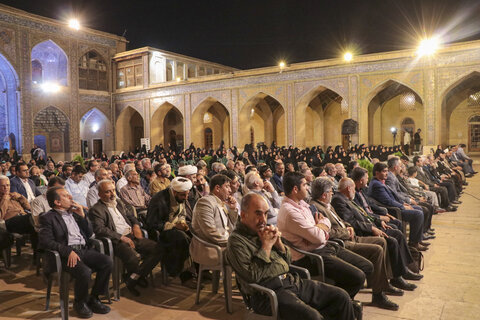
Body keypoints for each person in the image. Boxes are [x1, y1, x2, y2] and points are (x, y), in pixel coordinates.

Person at [226, 193, 355, 320]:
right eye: (258, 213)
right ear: (243, 215)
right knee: (312, 316)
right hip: (266, 294)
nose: (263, 220)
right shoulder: (236, 241)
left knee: (341, 297)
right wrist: (266, 246)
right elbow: (252, 276)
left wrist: (279, 244)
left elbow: (288, 261)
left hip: (290, 281)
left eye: (265, 213)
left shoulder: (264, 232)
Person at [277, 172, 371, 301]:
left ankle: (341, 302)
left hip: (324, 247)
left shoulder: (302, 204)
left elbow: (322, 224)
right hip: (311, 256)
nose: (308, 188)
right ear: (295, 189)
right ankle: (339, 303)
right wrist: (321, 226)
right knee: (358, 276)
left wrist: (320, 226)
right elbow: (319, 236)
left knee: (367, 266)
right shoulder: (290, 211)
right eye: (305, 185)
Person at [39, 186, 112, 318]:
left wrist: (83, 216)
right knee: (85, 271)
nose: (71, 197)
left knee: (107, 262)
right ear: (57, 202)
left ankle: (94, 298)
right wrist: (67, 251)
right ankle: (80, 302)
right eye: (66, 196)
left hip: (83, 249)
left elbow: (90, 234)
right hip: (65, 254)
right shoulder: (48, 217)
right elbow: (45, 241)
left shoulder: (74, 214)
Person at [89, 180, 163, 297]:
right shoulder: (96, 209)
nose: (112, 194)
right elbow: (100, 230)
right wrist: (121, 237)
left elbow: (131, 216)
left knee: (158, 249)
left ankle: (133, 277)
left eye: (113, 190)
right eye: (108, 192)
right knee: (133, 258)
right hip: (116, 241)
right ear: (100, 194)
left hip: (132, 235)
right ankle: (136, 277)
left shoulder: (118, 202)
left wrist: (136, 225)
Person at [146, 177, 197, 288]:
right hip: (161, 232)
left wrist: (182, 223)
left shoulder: (180, 197)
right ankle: (185, 276)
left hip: (176, 227)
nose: (186, 198)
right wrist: (174, 226)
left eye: (187, 194)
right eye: (183, 195)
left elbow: (181, 214)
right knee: (183, 239)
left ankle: (200, 270)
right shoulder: (158, 200)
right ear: (174, 192)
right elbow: (152, 224)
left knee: (196, 234)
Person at [368, 163, 426, 251]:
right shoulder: (376, 184)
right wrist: (402, 207)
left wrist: (403, 203)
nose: (387, 173)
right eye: (384, 171)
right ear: (377, 173)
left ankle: (418, 240)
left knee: (419, 208)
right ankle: (413, 243)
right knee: (418, 214)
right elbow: (388, 201)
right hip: (393, 210)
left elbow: (394, 197)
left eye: (387, 171)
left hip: (396, 206)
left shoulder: (381, 181)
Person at [190, 174, 238, 266]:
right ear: (217, 188)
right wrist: (231, 242)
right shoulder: (205, 202)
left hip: (221, 245)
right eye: (227, 187)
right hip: (209, 248)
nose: (230, 190)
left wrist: (232, 209)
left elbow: (231, 227)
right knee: (246, 253)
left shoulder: (221, 202)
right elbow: (210, 231)